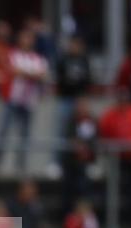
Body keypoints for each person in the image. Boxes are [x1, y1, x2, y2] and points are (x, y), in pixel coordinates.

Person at [0, 28, 48, 173]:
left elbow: (42, 74)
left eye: (29, 38)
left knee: (25, 135)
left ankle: (21, 165)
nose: (26, 41)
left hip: (29, 101)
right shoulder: (13, 54)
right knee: (3, 132)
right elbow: (13, 70)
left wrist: (25, 73)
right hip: (12, 98)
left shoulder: (37, 58)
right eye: (24, 37)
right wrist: (31, 74)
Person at [98, 87, 131, 221]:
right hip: (116, 157)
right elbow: (104, 133)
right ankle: (110, 216)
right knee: (112, 187)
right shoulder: (110, 115)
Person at [52, 35, 92, 172]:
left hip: (79, 99)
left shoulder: (84, 60)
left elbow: (87, 80)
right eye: (73, 44)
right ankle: (57, 163)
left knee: (84, 132)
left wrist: (83, 99)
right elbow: (59, 79)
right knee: (62, 131)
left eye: (78, 44)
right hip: (65, 99)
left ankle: (87, 163)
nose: (75, 47)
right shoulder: (63, 59)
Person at [60, 96, 98, 216]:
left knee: (85, 188)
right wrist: (78, 146)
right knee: (69, 191)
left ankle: (85, 215)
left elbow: (95, 139)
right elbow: (68, 137)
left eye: (84, 106)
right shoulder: (71, 120)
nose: (82, 108)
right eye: (80, 106)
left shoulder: (92, 121)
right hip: (71, 162)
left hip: (86, 162)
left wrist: (86, 150)